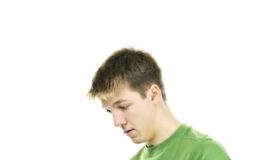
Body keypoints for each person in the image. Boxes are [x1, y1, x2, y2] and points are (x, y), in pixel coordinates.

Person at [88, 48, 230, 160]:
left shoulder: (204, 153)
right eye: (110, 111)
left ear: (153, 94)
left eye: (123, 106)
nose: (117, 122)